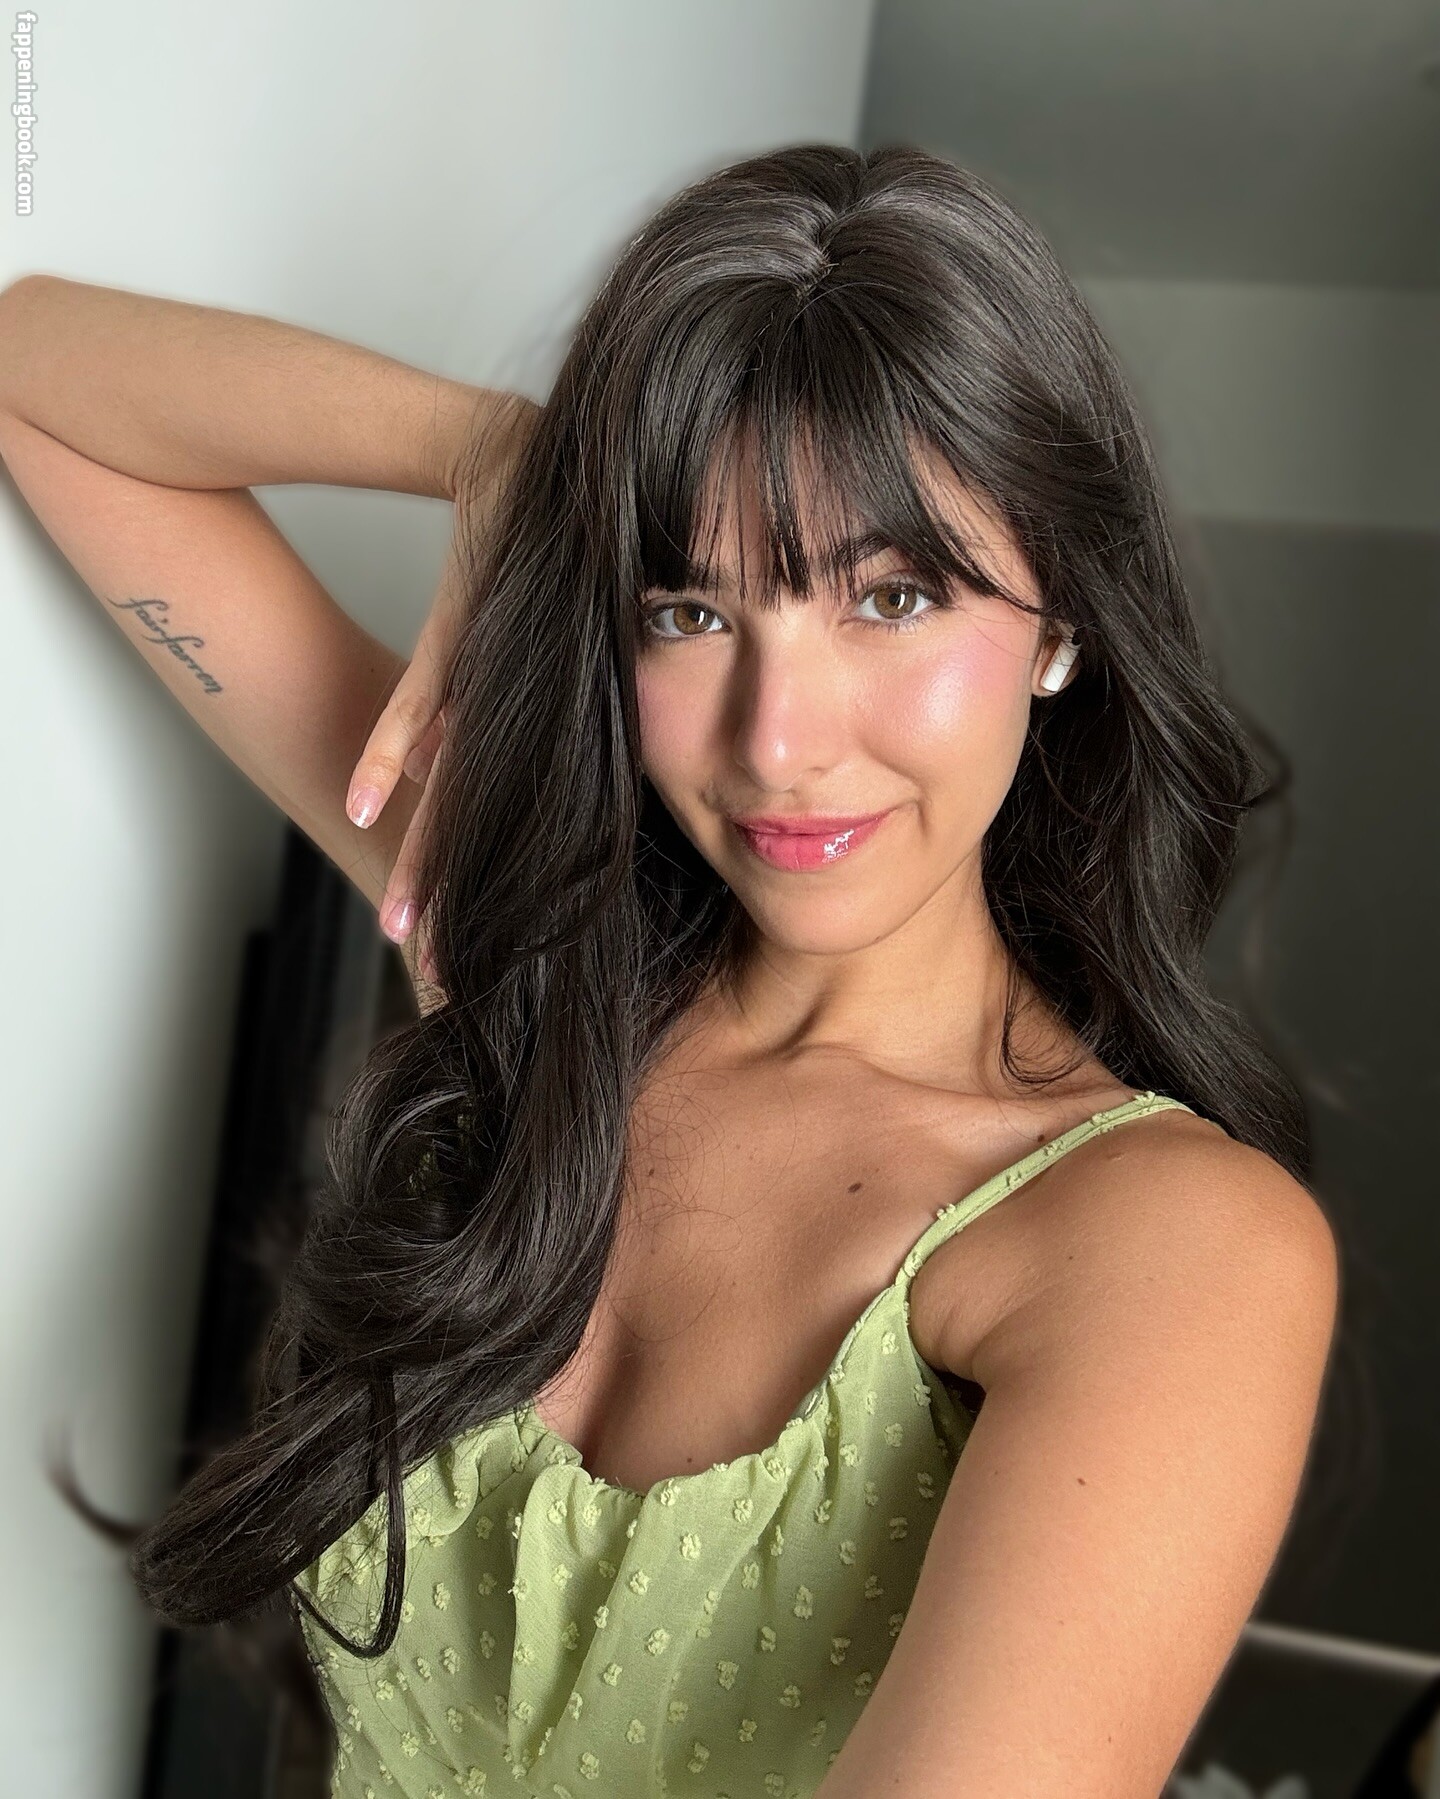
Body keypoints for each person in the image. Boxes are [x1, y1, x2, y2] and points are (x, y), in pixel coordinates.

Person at [0, 142, 1339, 1799]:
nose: (779, 742)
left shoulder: (1165, 1247)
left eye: (893, 597)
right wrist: (503, 455)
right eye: (689, 613)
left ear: (1061, 618)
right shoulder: (535, 958)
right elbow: (38, 373)